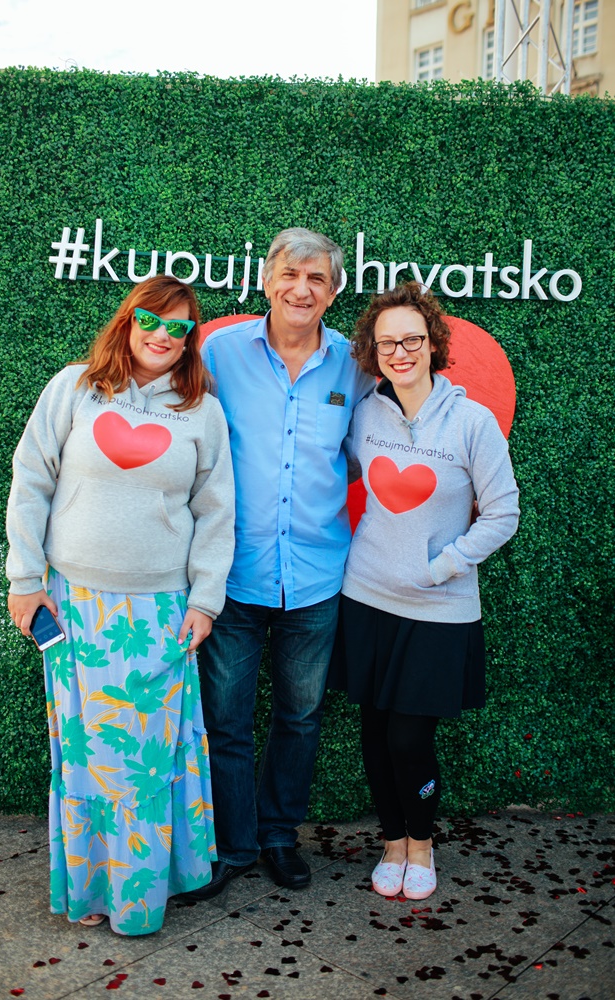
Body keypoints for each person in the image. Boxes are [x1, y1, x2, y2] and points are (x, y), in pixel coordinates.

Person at [5, 275, 234, 935]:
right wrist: (24, 578)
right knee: (85, 757)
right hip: (73, 607)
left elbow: (216, 512)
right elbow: (31, 481)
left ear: (189, 340)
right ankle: (90, 890)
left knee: (145, 762)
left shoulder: (202, 412)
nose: (162, 335)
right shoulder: (73, 388)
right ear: (128, 320)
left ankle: (142, 896)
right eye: (150, 320)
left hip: (161, 613)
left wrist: (205, 600)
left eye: (178, 327)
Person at [187, 228, 374, 898]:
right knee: (226, 719)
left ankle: (276, 836)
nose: (302, 289)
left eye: (317, 278)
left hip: (317, 577)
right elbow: (185, 437)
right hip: (233, 575)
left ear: (334, 291)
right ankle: (232, 845)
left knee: (300, 717)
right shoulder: (219, 353)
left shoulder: (354, 366)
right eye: (290, 275)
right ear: (266, 280)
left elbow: (368, 453)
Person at [329, 282, 519, 901]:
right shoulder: (364, 414)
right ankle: (391, 843)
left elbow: (503, 514)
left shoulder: (472, 423)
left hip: (439, 608)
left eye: (411, 339)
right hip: (366, 599)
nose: (400, 352)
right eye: (387, 343)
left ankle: (421, 843)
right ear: (374, 352)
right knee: (374, 733)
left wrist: (442, 566)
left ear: (433, 343)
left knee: (409, 738)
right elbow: (334, 473)